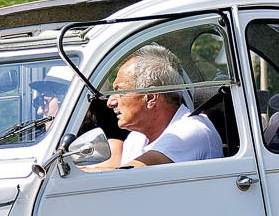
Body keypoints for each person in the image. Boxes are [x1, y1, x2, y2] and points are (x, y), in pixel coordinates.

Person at [87, 45, 221, 169]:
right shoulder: (137, 137)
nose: (110, 102)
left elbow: (123, 177)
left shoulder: (191, 130)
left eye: (120, 92)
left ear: (151, 98)